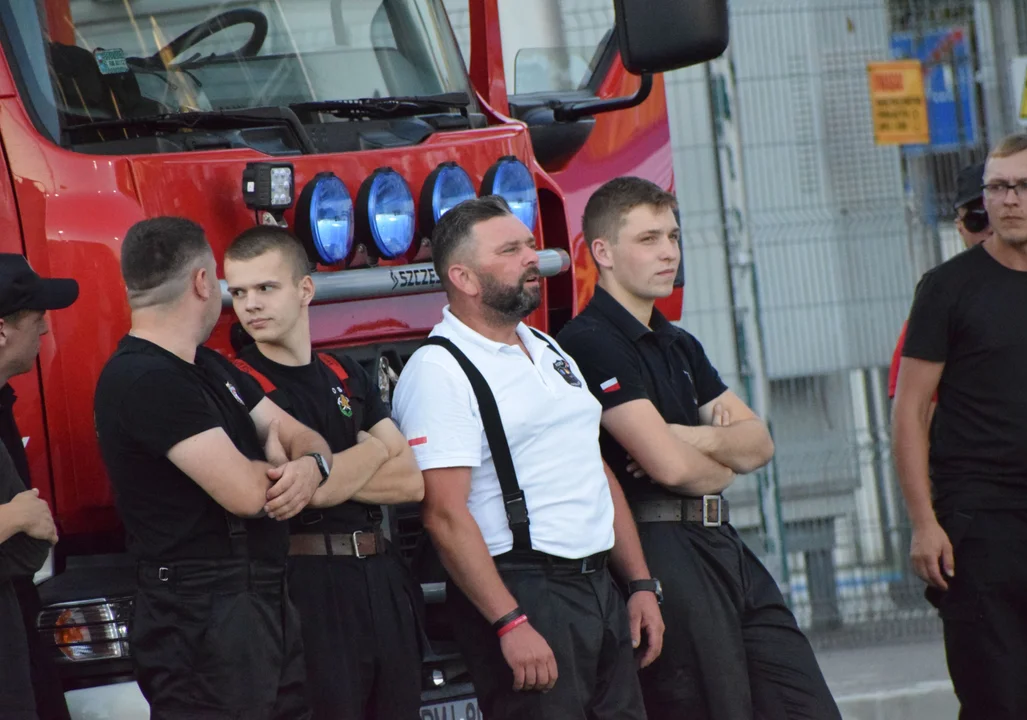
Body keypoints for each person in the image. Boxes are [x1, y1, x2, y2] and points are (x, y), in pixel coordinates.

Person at [556, 177, 840, 720]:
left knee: (805, 704)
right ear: (602, 252)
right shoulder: (589, 342)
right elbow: (667, 467)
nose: (668, 252)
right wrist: (713, 458)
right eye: (648, 239)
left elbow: (759, 444)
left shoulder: (678, 342)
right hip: (663, 548)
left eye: (673, 236)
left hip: (722, 543)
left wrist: (689, 437)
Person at [392, 196, 664, 720]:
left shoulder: (546, 346)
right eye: (512, 250)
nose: (532, 258)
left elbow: (593, 468)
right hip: (525, 590)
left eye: (531, 245)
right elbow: (444, 515)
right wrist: (510, 621)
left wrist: (638, 584)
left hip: (597, 589)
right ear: (465, 278)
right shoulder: (439, 369)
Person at [94, 217, 333, 720]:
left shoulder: (209, 365)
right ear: (203, 282)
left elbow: (298, 433)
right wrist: (284, 462)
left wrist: (311, 465)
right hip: (201, 617)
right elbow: (247, 494)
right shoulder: (145, 379)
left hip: (255, 602)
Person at [893, 133, 1027, 719]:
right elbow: (910, 413)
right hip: (984, 528)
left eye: (1025, 186)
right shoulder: (948, 288)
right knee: (997, 699)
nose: (1009, 200)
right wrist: (925, 524)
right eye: (997, 188)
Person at [222, 226, 426, 720]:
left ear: (305, 290)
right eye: (239, 292)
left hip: (382, 577)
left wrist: (331, 472)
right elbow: (302, 490)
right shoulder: (239, 384)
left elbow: (412, 482)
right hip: (307, 586)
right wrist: (375, 449)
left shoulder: (345, 372)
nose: (250, 304)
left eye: (265, 288)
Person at [888, 162, 1027, 405]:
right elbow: (913, 411)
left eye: (1006, 214)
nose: (993, 229)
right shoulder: (944, 300)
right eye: (978, 219)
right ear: (960, 228)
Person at [0, 255, 76, 720]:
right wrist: (16, 519)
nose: (46, 330)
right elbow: (28, 541)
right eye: (37, 318)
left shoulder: (3, 401)